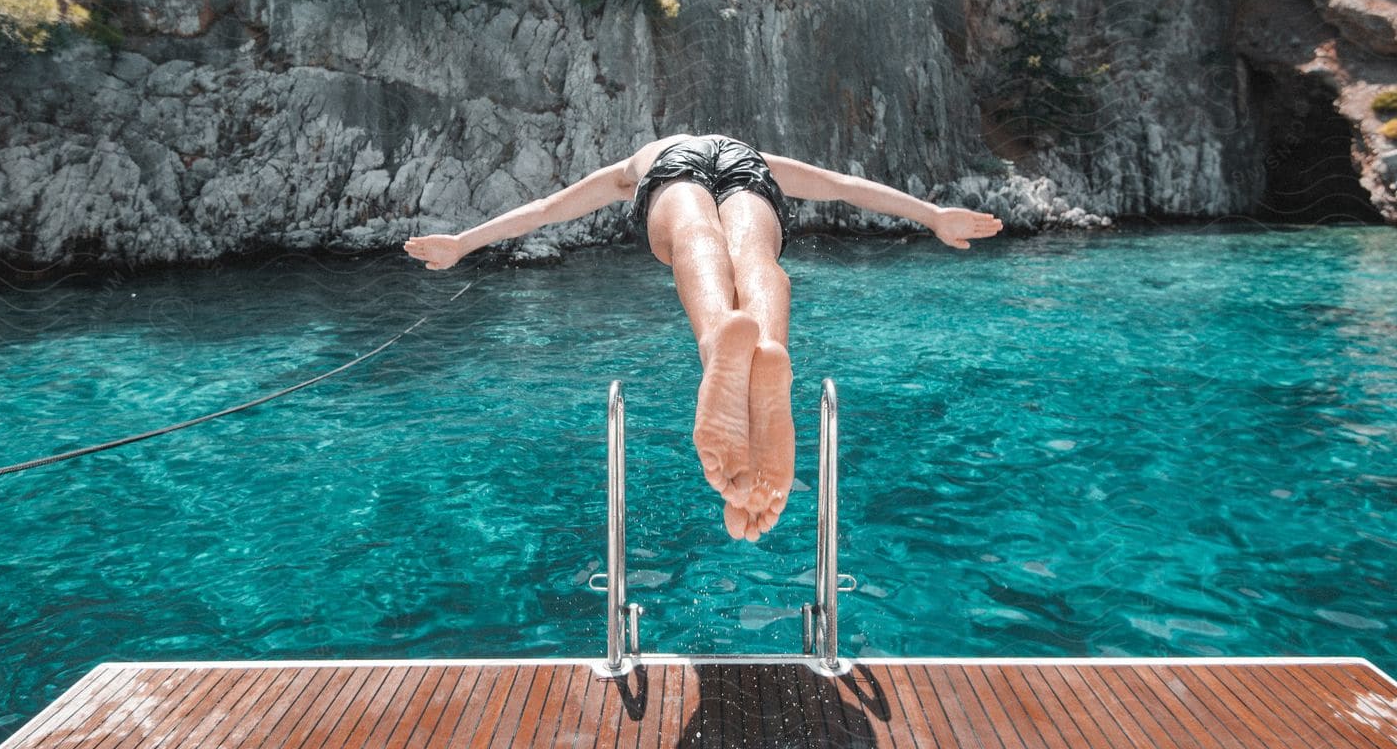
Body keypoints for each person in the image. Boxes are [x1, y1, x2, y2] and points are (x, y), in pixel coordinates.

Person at [403, 134, 1003, 541]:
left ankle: (721, 343)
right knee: (754, 254)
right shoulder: (752, 152)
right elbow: (846, 185)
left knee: (694, 237)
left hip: (668, 170)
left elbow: (543, 210)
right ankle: (770, 350)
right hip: (751, 169)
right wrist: (932, 215)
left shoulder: (636, 162)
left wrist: (462, 243)